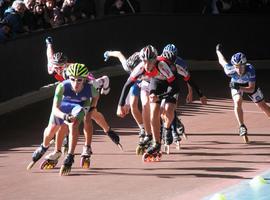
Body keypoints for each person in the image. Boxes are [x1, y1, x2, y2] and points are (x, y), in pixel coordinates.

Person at [42, 36, 122, 169]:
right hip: (69, 91)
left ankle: (104, 81)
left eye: (60, 68)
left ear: (66, 65)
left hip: (86, 87)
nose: (57, 70)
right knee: (66, 115)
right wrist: (49, 44)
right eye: (56, 67)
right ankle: (107, 130)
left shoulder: (72, 69)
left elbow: (90, 80)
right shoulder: (52, 67)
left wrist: (95, 92)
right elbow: (49, 55)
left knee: (90, 115)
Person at [27, 63, 99, 176]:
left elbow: (96, 96)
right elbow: (55, 109)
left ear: (85, 79)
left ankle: (70, 155)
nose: (76, 83)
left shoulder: (90, 88)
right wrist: (65, 116)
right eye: (72, 79)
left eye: (79, 80)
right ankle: (44, 146)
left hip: (78, 106)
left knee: (73, 125)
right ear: (68, 78)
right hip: (63, 106)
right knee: (52, 129)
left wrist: (92, 107)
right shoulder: (62, 86)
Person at [117, 45, 179, 161]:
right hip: (156, 82)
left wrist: (160, 96)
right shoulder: (140, 67)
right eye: (144, 61)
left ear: (155, 60)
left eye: (150, 62)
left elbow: (175, 87)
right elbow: (127, 85)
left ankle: (168, 129)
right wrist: (120, 105)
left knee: (168, 110)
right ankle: (156, 142)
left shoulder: (162, 65)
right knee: (152, 109)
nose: (147, 65)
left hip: (169, 84)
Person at [216, 44, 270, 143]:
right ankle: (242, 126)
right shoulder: (229, 70)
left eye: (241, 66)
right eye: (236, 67)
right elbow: (222, 61)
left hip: (247, 85)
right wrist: (218, 51)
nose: (239, 69)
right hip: (236, 84)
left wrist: (240, 88)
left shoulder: (250, 69)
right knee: (237, 102)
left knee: (263, 107)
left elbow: (251, 88)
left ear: (245, 64)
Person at [103, 50, 146, 143]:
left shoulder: (146, 65)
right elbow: (118, 54)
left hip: (147, 81)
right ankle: (142, 128)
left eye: (133, 70)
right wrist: (108, 54)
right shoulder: (127, 66)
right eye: (131, 71)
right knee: (132, 105)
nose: (132, 72)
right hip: (136, 82)